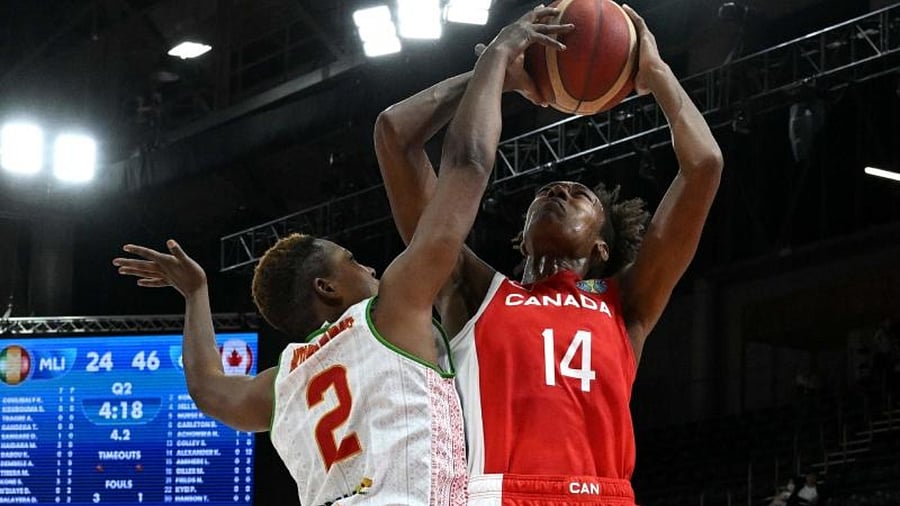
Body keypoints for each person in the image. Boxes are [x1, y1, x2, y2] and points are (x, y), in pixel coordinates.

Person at [112, 9, 572, 505]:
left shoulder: (282, 381)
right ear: (324, 287)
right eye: (352, 259)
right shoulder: (391, 313)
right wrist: (499, 56)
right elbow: (466, 164)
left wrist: (196, 295)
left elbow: (209, 390)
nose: (371, 267)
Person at [375, 4, 723, 505]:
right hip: (498, 493)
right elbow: (394, 134)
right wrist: (492, 71)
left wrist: (657, 74)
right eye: (547, 192)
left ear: (602, 246)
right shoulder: (470, 290)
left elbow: (705, 165)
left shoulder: (628, 304)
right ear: (521, 239)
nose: (559, 188)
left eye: (579, 195)